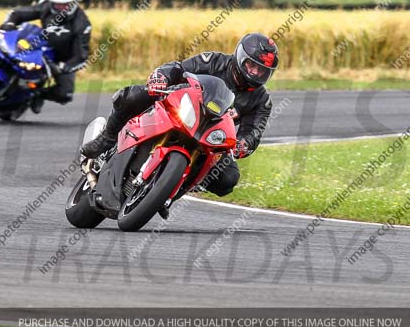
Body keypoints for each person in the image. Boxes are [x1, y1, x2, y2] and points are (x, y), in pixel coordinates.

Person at [81, 33, 278, 201]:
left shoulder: (261, 101)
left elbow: (253, 131)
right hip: (182, 109)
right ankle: (106, 139)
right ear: (240, 57)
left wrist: (243, 144)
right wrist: (162, 77)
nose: (255, 72)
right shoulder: (215, 61)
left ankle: (181, 184)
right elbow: (178, 68)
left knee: (228, 179)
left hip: (210, 136)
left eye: (261, 70)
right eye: (252, 65)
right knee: (130, 96)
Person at [0, 0, 91, 113]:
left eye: (64, 5)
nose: (60, 8)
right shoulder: (46, 6)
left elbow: (81, 56)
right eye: (57, 4)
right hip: (41, 46)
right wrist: (9, 23)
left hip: (62, 58)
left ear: (73, 3)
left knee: (65, 94)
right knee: (12, 46)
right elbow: (17, 13)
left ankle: (37, 95)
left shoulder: (82, 24)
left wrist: (64, 67)